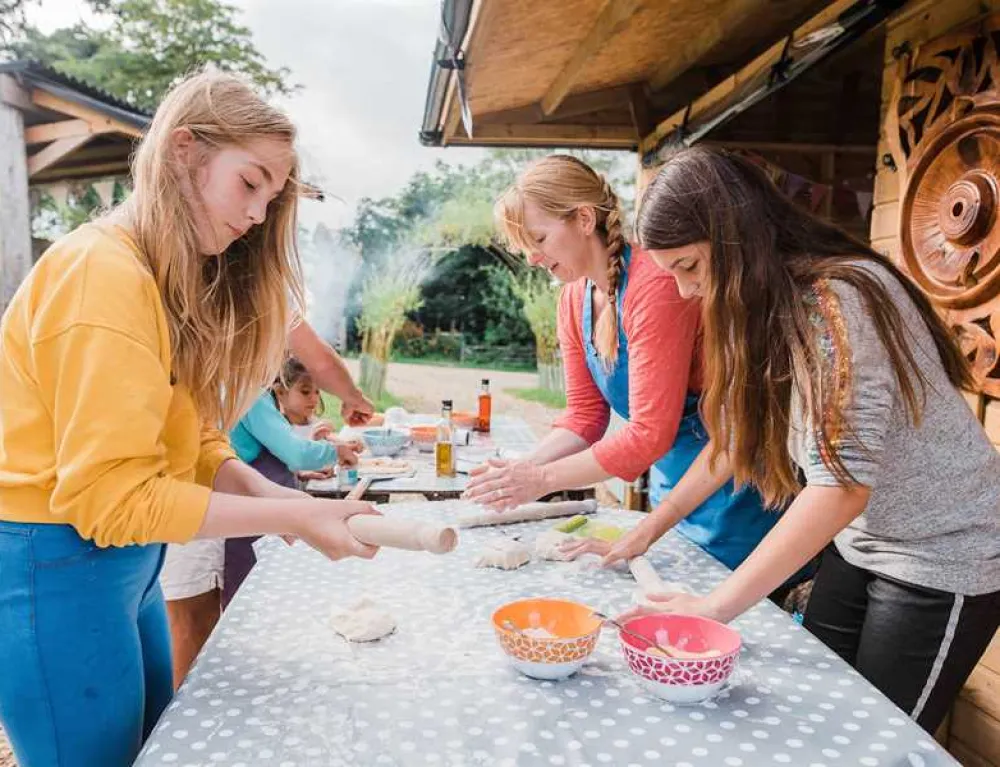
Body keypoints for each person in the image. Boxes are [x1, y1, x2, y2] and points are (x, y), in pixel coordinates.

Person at [0, 70, 379, 767]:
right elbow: (110, 498)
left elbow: (193, 436)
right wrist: (291, 517)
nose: (260, 216)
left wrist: (275, 495)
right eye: (250, 183)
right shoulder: (103, 275)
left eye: (272, 195)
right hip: (52, 560)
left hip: (132, 564)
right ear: (184, 152)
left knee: (151, 747)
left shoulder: (159, 273)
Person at [625, 144, 1000, 733]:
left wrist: (714, 608)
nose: (685, 293)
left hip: (941, 551)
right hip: (860, 543)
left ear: (735, 238)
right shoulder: (769, 306)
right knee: (816, 719)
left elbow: (839, 486)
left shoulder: (837, 298)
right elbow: (735, 440)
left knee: (877, 743)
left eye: (691, 268)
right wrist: (648, 527)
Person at [468, 155, 805, 591]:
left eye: (539, 238)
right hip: (673, 491)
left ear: (584, 219)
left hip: (732, 491)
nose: (533, 258)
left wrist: (542, 480)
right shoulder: (574, 299)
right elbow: (584, 416)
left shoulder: (656, 285)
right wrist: (518, 472)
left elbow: (648, 434)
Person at [222, 356, 363, 609]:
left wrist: (300, 475)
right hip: (250, 515)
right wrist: (336, 451)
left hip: (254, 510)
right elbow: (295, 453)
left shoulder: (251, 392)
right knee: (251, 599)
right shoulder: (251, 393)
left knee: (259, 597)